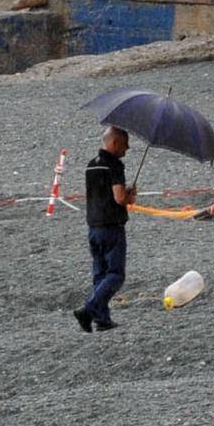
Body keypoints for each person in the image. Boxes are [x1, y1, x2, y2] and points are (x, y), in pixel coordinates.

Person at [74, 126, 137, 333]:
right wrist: (130, 195)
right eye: (125, 145)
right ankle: (89, 309)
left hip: (93, 225)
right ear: (115, 143)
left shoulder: (91, 165)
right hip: (111, 226)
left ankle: (103, 319)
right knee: (116, 274)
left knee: (99, 273)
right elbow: (119, 198)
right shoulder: (114, 165)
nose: (126, 150)